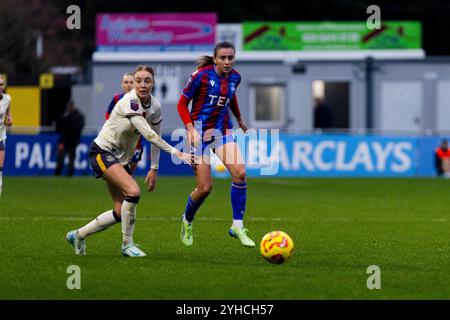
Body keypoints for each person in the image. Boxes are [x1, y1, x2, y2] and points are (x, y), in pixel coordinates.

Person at [66, 65, 193, 257]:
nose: (142, 85)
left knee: (120, 211)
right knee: (133, 192)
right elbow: (149, 135)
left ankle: (78, 235)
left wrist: (154, 168)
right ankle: (127, 245)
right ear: (133, 83)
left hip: (120, 159)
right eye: (138, 81)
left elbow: (156, 138)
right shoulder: (130, 101)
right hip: (102, 151)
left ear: (153, 83)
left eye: (147, 80)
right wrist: (178, 153)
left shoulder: (155, 106)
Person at [177, 41, 255, 248]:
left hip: (222, 131)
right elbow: (182, 104)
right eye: (223, 58)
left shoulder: (235, 78)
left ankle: (237, 226)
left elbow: (231, 97)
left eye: (231, 57)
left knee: (240, 173)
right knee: (205, 188)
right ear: (215, 59)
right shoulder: (200, 76)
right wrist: (190, 128)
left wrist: (239, 118)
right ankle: (187, 220)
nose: (227, 61)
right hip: (199, 134)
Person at [105, 72, 145, 173]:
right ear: (122, 84)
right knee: (119, 173)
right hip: (119, 143)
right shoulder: (117, 98)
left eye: (131, 82)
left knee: (129, 172)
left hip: (135, 143)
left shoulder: (142, 99)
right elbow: (108, 114)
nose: (128, 85)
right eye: (126, 82)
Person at [54, 100, 85, 176]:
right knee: (60, 158)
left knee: (71, 159)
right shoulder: (64, 115)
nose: (69, 108)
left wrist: (68, 122)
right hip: (63, 141)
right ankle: (57, 174)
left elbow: (77, 127)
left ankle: (69, 174)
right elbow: (58, 127)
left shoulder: (78, 116)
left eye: (70, 106)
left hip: (72, 141)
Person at [0, 75, 12, 197]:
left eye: (1, 84)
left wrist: (9, 119)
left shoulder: (7, 99)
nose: (0, 87)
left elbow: (8, 113)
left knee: (0, 169)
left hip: (1, 137)